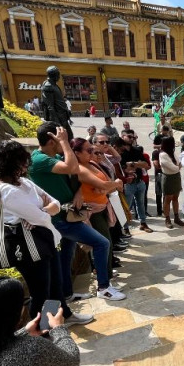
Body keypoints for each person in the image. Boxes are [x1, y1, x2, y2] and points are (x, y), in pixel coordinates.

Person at [0, 140, 92, 326]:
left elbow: (55, 203)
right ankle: (42, 330)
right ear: (9, 163)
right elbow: (41, 217)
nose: (25, 164)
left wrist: (46, 209)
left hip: (44, 239)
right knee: (41, 292)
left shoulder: (23, 182)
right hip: (28, 246)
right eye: (21, 160)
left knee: (55, 286)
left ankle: (62, 316)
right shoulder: (6, 190)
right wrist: (45, 210)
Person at [29, 121, 126, 302]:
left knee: (66, 257)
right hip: (59, 219)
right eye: (61, 139)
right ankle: (103, 287)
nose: (65, 142)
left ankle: (67, 294)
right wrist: (65, 142)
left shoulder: (54, 157)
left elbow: (75, 176)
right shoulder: (40, 160)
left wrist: (79, 192)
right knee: (102, 243)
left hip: (67, 215)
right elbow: (73, 168)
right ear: (51, 141)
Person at [70, 138, 124, 253]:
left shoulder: (93, 164)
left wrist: (107, 187)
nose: (93, 153)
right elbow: (104, 185)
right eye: (89, 150)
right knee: (103, 245)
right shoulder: (79, 168)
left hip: (103, 206)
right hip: (92, 212)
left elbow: (107, 184)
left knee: (107, 243)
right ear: (77, 153)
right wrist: (116, 183)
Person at [120, 133, 152, 232]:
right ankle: (125, 227)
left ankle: (143, 223)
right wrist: (136, 165)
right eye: (129, 136)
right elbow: (121, 167)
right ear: (122, 137)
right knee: (126, 206)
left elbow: (145, 165)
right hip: (128, 184)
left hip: (139, 181)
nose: (132, 139)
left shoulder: (137, 150)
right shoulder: (120, 152)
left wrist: (133, 164)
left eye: (133, 137)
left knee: (141, 204)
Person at [39, 66, 73, 138]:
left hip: (63, 116)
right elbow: (50, 106)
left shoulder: (54, 85)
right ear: (54, 75)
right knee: (65, 138)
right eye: (58, 74)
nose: (59, 76)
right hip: (58, 117)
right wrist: (57, 123)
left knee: (69, 137)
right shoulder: (48, 86)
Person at [159, 136, 184, 229]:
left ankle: (176, 217)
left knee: (175, 198)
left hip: (176, 177)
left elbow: (178, 163)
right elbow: (175, 168)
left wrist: (178, 166)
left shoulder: (171, 152)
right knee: (168, 199)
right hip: (168, 178)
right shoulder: (162, 154)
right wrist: (178, 166)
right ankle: (167, 219)